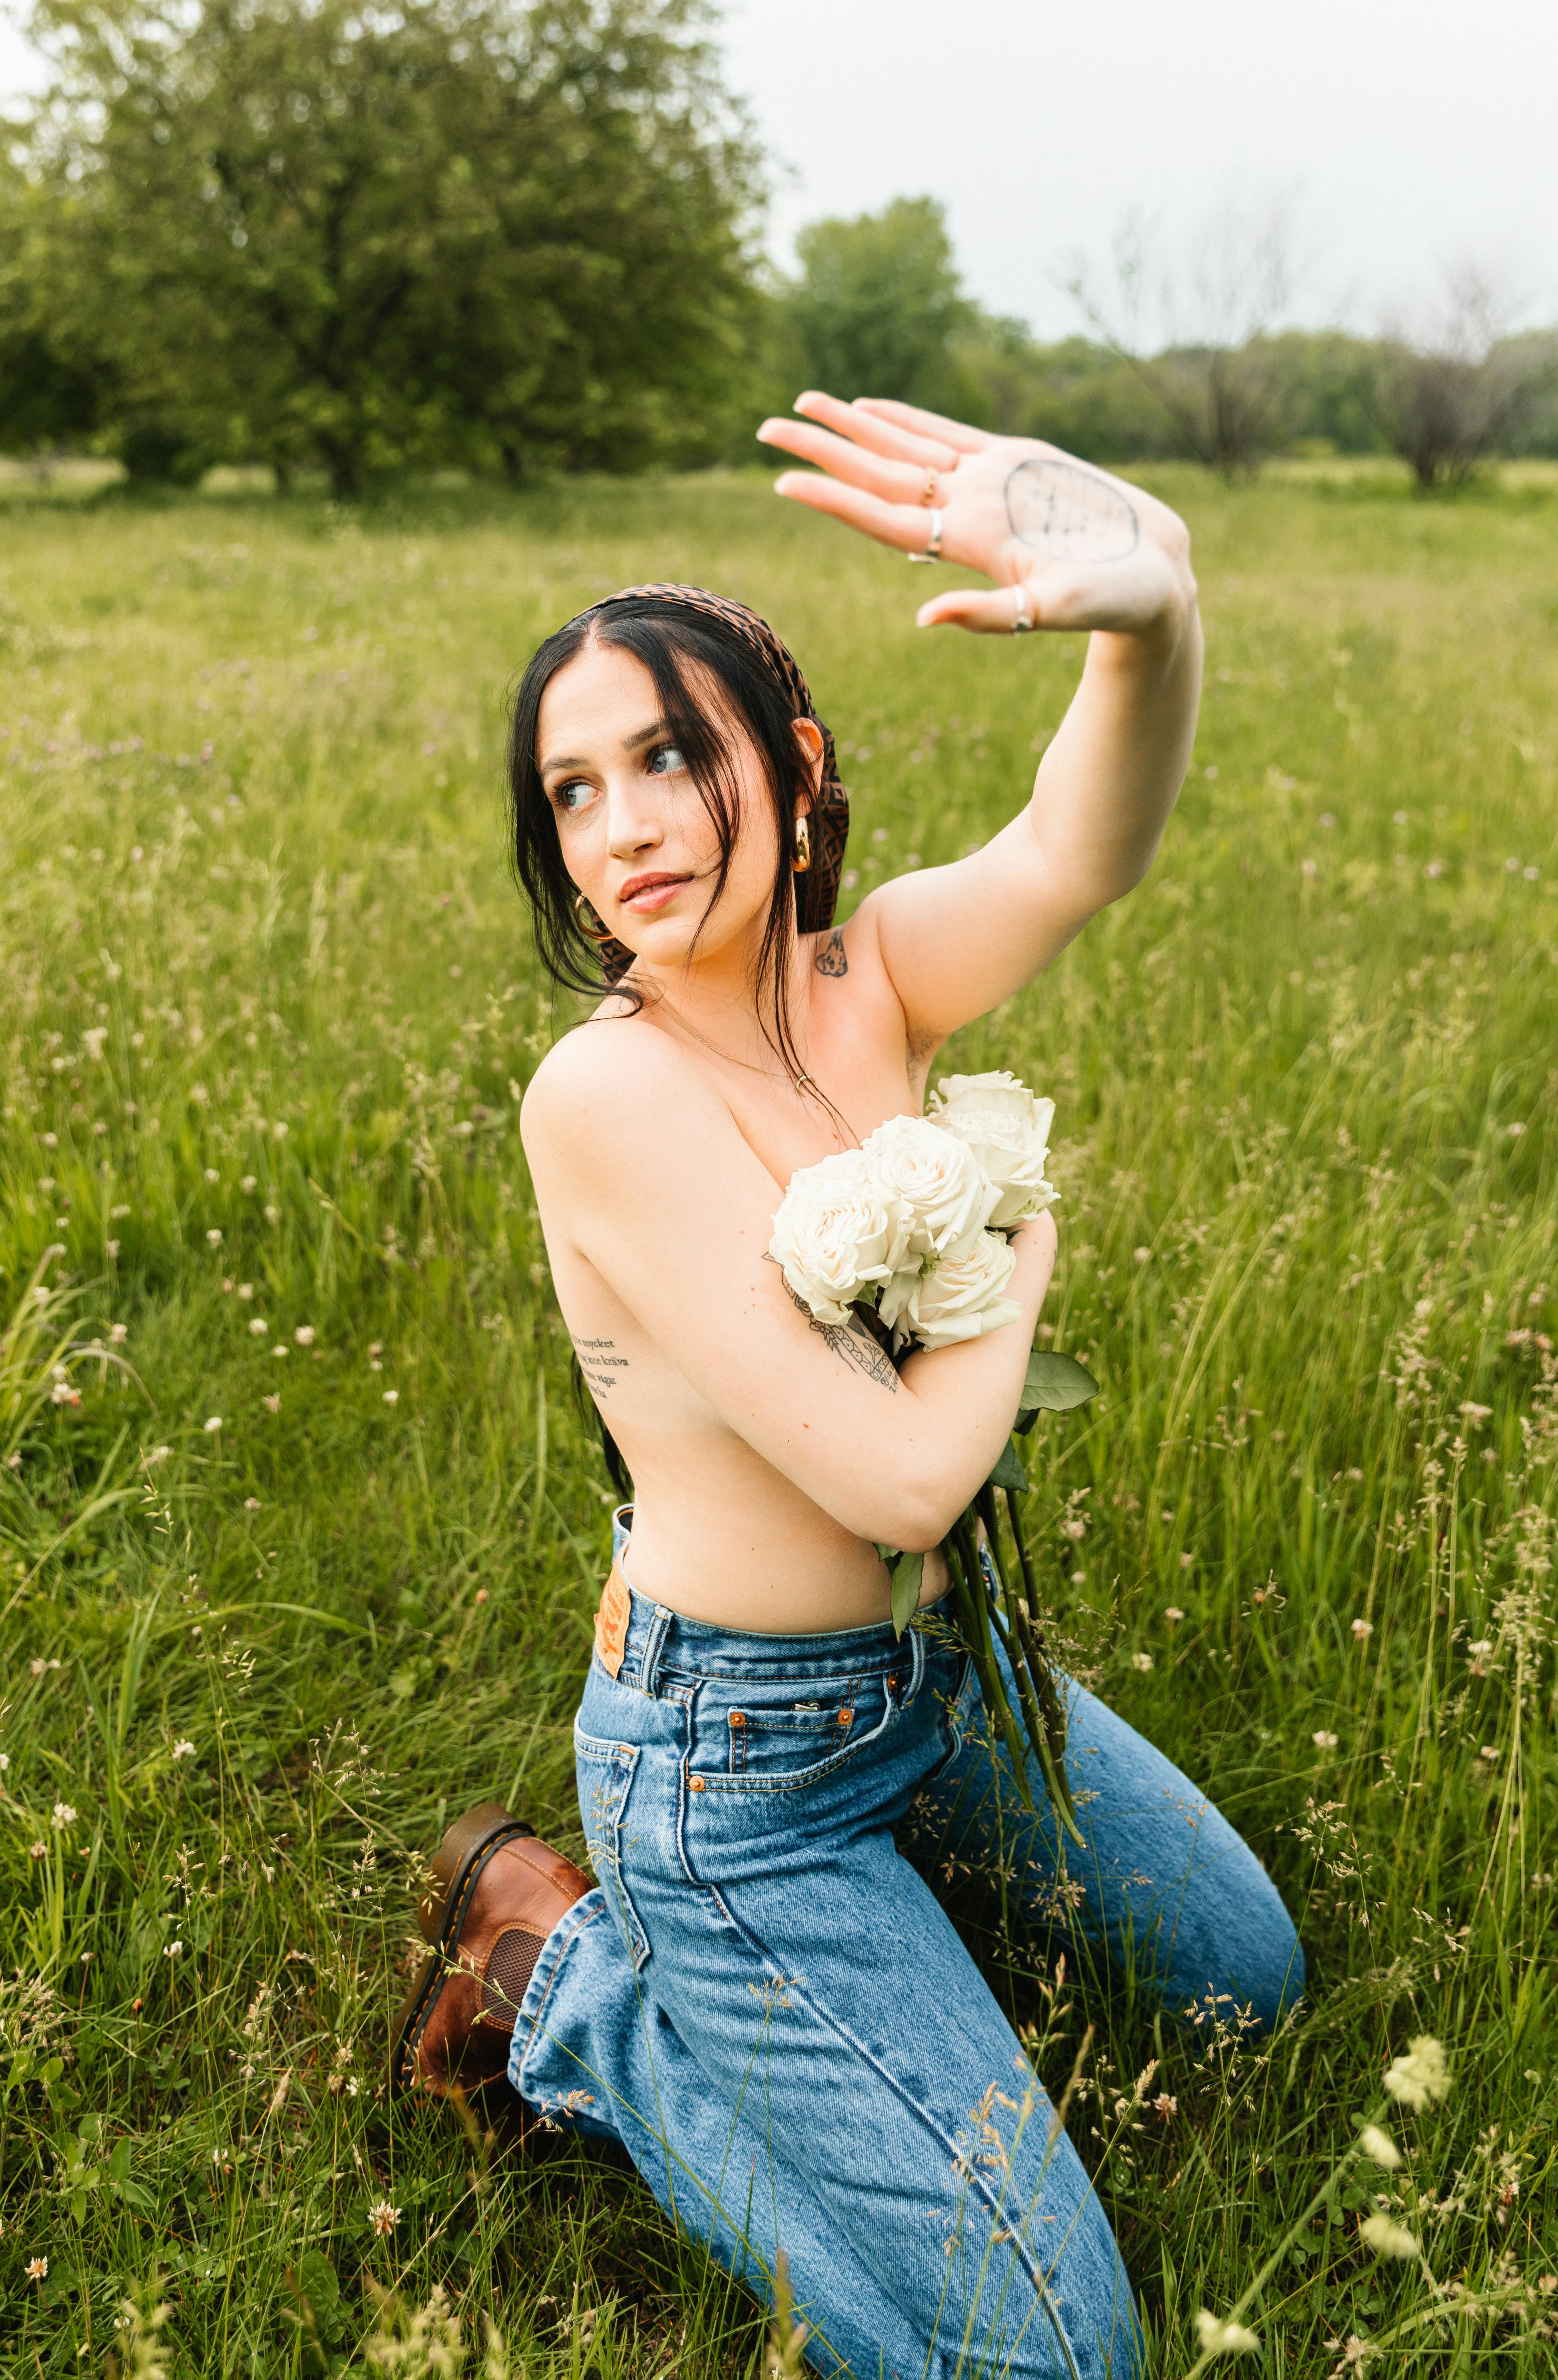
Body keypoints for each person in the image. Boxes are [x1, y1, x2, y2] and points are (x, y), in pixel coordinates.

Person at [391, 395, 1304, 2379]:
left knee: (1249, 1983)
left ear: (791, 766)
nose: (619, 827)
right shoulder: (607, 1093)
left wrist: (1152, 616)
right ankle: (578, 2002)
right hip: (734, 1781)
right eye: (570, 792)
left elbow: (1087, 837)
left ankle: (846, 1960)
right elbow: (900, 1478)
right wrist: (1011, 1237)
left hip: (939, 1678)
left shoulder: (869, 976)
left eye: (665, 758)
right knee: (1065, 2367)